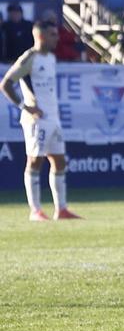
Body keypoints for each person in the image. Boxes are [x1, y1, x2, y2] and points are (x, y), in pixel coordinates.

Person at [1, 20, 83, 221]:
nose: (57, 38)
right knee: (35, 161)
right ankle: (35, 210)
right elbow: (6, 84)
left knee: (59, 161)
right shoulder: (30, 58)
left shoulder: (50, 58)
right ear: (41, 36)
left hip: (53, 118)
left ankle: (61, 209)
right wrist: (25, 106)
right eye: (53, 34)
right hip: (36, 120)